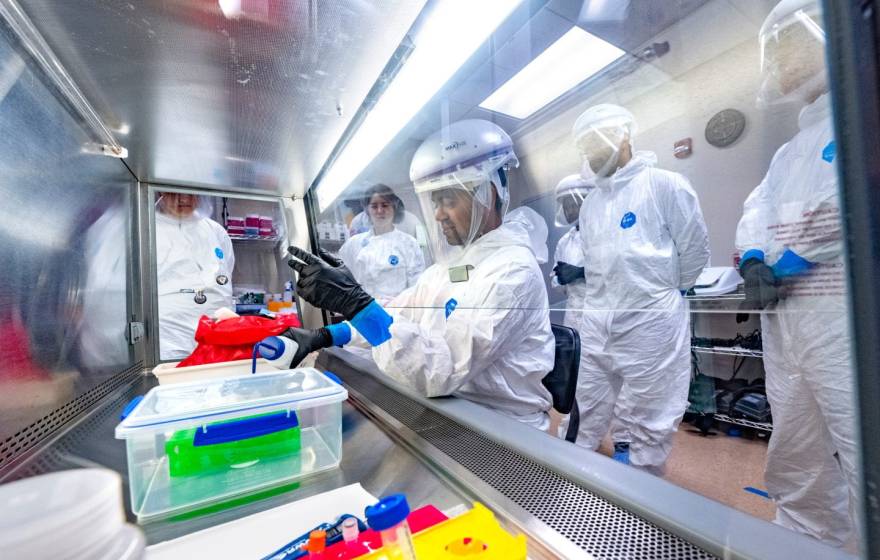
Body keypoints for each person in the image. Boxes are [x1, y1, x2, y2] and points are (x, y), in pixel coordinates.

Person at [286, 119, 555, 429]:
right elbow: (399, 313)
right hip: (455, 413)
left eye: (448, 200)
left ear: (487, 195)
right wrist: (329, 334)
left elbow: (441, 369)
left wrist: (357, 304)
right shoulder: (448, 270)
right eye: (435, 202)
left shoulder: (513, 272)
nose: (438, 214)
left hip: (505, 430)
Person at [734, 0, 858, 547]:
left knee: (863, 444)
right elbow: (755, 211)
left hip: (844, 325)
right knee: (795, 450)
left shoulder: (859, 116)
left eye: (791, 41)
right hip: (789, 324)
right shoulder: (788, 152)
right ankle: (804, 542)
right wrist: (754, 257)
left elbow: (850, 197)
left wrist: (795, 257)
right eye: (775, 47)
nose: (780, 59)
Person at [570, 103, 710, 474]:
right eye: (585, 148)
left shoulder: (664, 185)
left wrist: (664, 296)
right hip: (598, 324)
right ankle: (572, 478)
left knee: (648, 418)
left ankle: (641, 490)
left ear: (624, 137)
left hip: (651, 323)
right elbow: (595, 267)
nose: (592, 154)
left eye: (597, 143)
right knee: (585, 406)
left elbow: (695, 250)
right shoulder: (591, 205)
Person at [155, 192, 235, 360]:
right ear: (161, 190)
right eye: (174, 192)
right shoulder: (146, 229)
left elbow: (226, 274)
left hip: (219, 345)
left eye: (191, 193)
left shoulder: (215, 231)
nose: (184, 199)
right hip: (167, 347)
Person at [338, 184, 425, 303]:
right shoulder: (353, 244)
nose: (380, 211)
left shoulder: (409, 243)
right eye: (374, 206)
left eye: (385, 205)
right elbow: (343, 279)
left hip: (400, 313)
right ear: (367, 210)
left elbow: (416, 286)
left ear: (394, 207)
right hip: (365, 311)